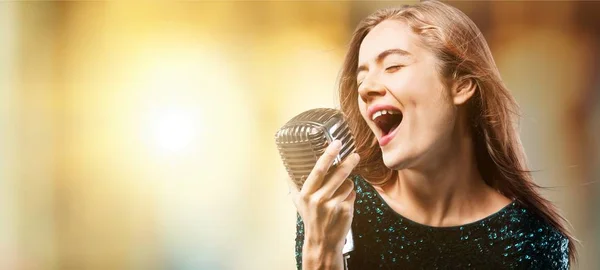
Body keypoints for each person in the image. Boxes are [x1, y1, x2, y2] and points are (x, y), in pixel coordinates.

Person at [286, 1, 577, 269]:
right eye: (361, 79)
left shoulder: (532, 239)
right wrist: (322, 252)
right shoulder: (336, 211)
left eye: (393, 66)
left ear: (461, 85)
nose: (364, 89)